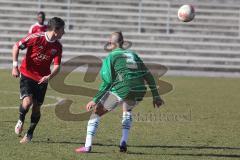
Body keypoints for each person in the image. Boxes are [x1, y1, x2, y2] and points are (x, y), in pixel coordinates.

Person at [75, 31, 164, 153]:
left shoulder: (111, 57)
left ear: (111, 44)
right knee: (127, 110)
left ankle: (87, 145)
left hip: (122, 88)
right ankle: (123, 141)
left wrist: (95, 100)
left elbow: (108, 81)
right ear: (123, 43)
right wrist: (156, 96)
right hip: (138, 90)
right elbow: (148, 75)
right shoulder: (133, 55)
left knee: (96, 112)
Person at [12, 17, 65, 144]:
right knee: (27, 102)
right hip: (27, 74)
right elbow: (16, 46)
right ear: (56, 30)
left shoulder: (58, 46)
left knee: (36, 107)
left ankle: (29, 134)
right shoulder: (35, 37)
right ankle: (20, 119)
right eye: (63, 30)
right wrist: (14, 66)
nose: (64, 32)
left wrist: (49, 77)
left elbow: (57, 66)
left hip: (42, 79)